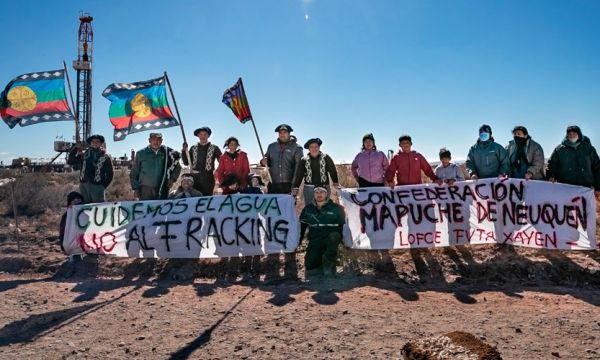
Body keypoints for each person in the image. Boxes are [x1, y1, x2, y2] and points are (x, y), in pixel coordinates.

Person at [299, 186, 346, 277]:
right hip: (315, 239)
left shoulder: (337, 208)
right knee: (310, 266)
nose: (319, 194)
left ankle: (329, 265)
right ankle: (319, 265)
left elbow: (343, 225)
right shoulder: (308, 209)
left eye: (322, 192)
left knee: (334, 237)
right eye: (316, 192)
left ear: (326, 194)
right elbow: (302, 226)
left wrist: (345, 241)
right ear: (313, 194)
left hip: (331, 238)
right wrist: (298, 241)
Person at [130, 133, 182, 200]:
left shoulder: (168, 153)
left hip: (163, 187)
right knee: (146, 208)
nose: (156, 142)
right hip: (145, 189)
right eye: (153, 139)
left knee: (162, 209)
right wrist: (135, 188)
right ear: (149, 140)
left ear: (161, 141)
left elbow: (177, 166)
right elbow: (134, 172)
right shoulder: (141, 153)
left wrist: (172, 179)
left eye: (158, 140)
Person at [547, 125, 600, 190]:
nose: (571, 135)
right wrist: (551, 176)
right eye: (569, 134)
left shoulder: (589, 149)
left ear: (579, 135)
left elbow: (597, 167)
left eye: (574, 133)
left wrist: (598, 187)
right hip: (565, 186)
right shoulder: (559, 149)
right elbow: (552, 164)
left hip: (586, 187)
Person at [67, 134, 113, 203]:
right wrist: (75, 148)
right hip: (84, 186)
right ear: (90, 143)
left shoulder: (105, 157)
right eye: (93, 141)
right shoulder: (84, 155)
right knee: (86, 209)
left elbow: (110, 173)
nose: (95, 143)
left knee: (98, 209)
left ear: (101, 143)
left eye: (97, 142)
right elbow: (70, 161)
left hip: (97, 186)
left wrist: (102, 186)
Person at [292, 138, 339, 205]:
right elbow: (299, 174)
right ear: (309, 149)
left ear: (319, 147)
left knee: (324, 208)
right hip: (309, 188)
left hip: (324, 187)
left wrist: (335, 182)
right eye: (311, 147)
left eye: (316, 146)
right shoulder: (304, 160)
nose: (314, 149)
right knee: (310, 208)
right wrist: (296, 186)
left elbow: (332, 170)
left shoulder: (326, 157)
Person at [260, 124, 303, 194]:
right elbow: (266, 161)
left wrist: (295, 185)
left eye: (284, 132)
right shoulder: (271, 146)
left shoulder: (297, 148)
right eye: (280, 133)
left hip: (289, 185)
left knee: (288, 204)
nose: (282, 135)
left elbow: (298, 168)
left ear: (289, 134)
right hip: (273, 183)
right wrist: (263, 162)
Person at [182, 127, 222, 196]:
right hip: (194, 178)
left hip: (208, 179)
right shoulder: (193, 148)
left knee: (206, 199)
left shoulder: (215, 148)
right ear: (198, 136)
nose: (202, 136)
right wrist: (184, 151)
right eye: (200, 134)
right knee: (194, 199)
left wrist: (217, 170)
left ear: (208, 136)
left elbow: (222, 161)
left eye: (205, 134)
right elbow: (186, 163)